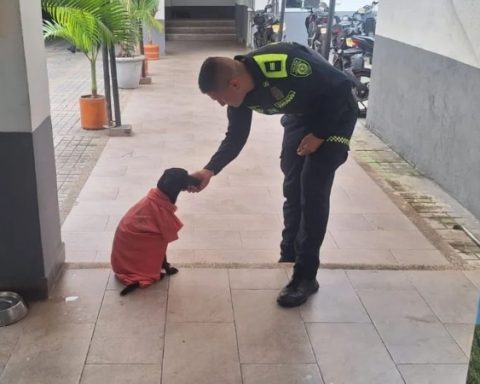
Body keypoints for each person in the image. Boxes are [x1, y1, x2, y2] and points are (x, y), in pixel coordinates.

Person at [190, 42, 358, 307]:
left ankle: (305, 276)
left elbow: (341, 87)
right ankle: (289, 256)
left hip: (336, 113)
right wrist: (210, 170)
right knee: (293, 187)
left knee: (312, 188)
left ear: (234, 84)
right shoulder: (239, 95)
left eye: (218, 97)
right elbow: (236, 137)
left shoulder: (286, 64)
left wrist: (320, 134)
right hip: (301, 116)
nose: (221, 104)